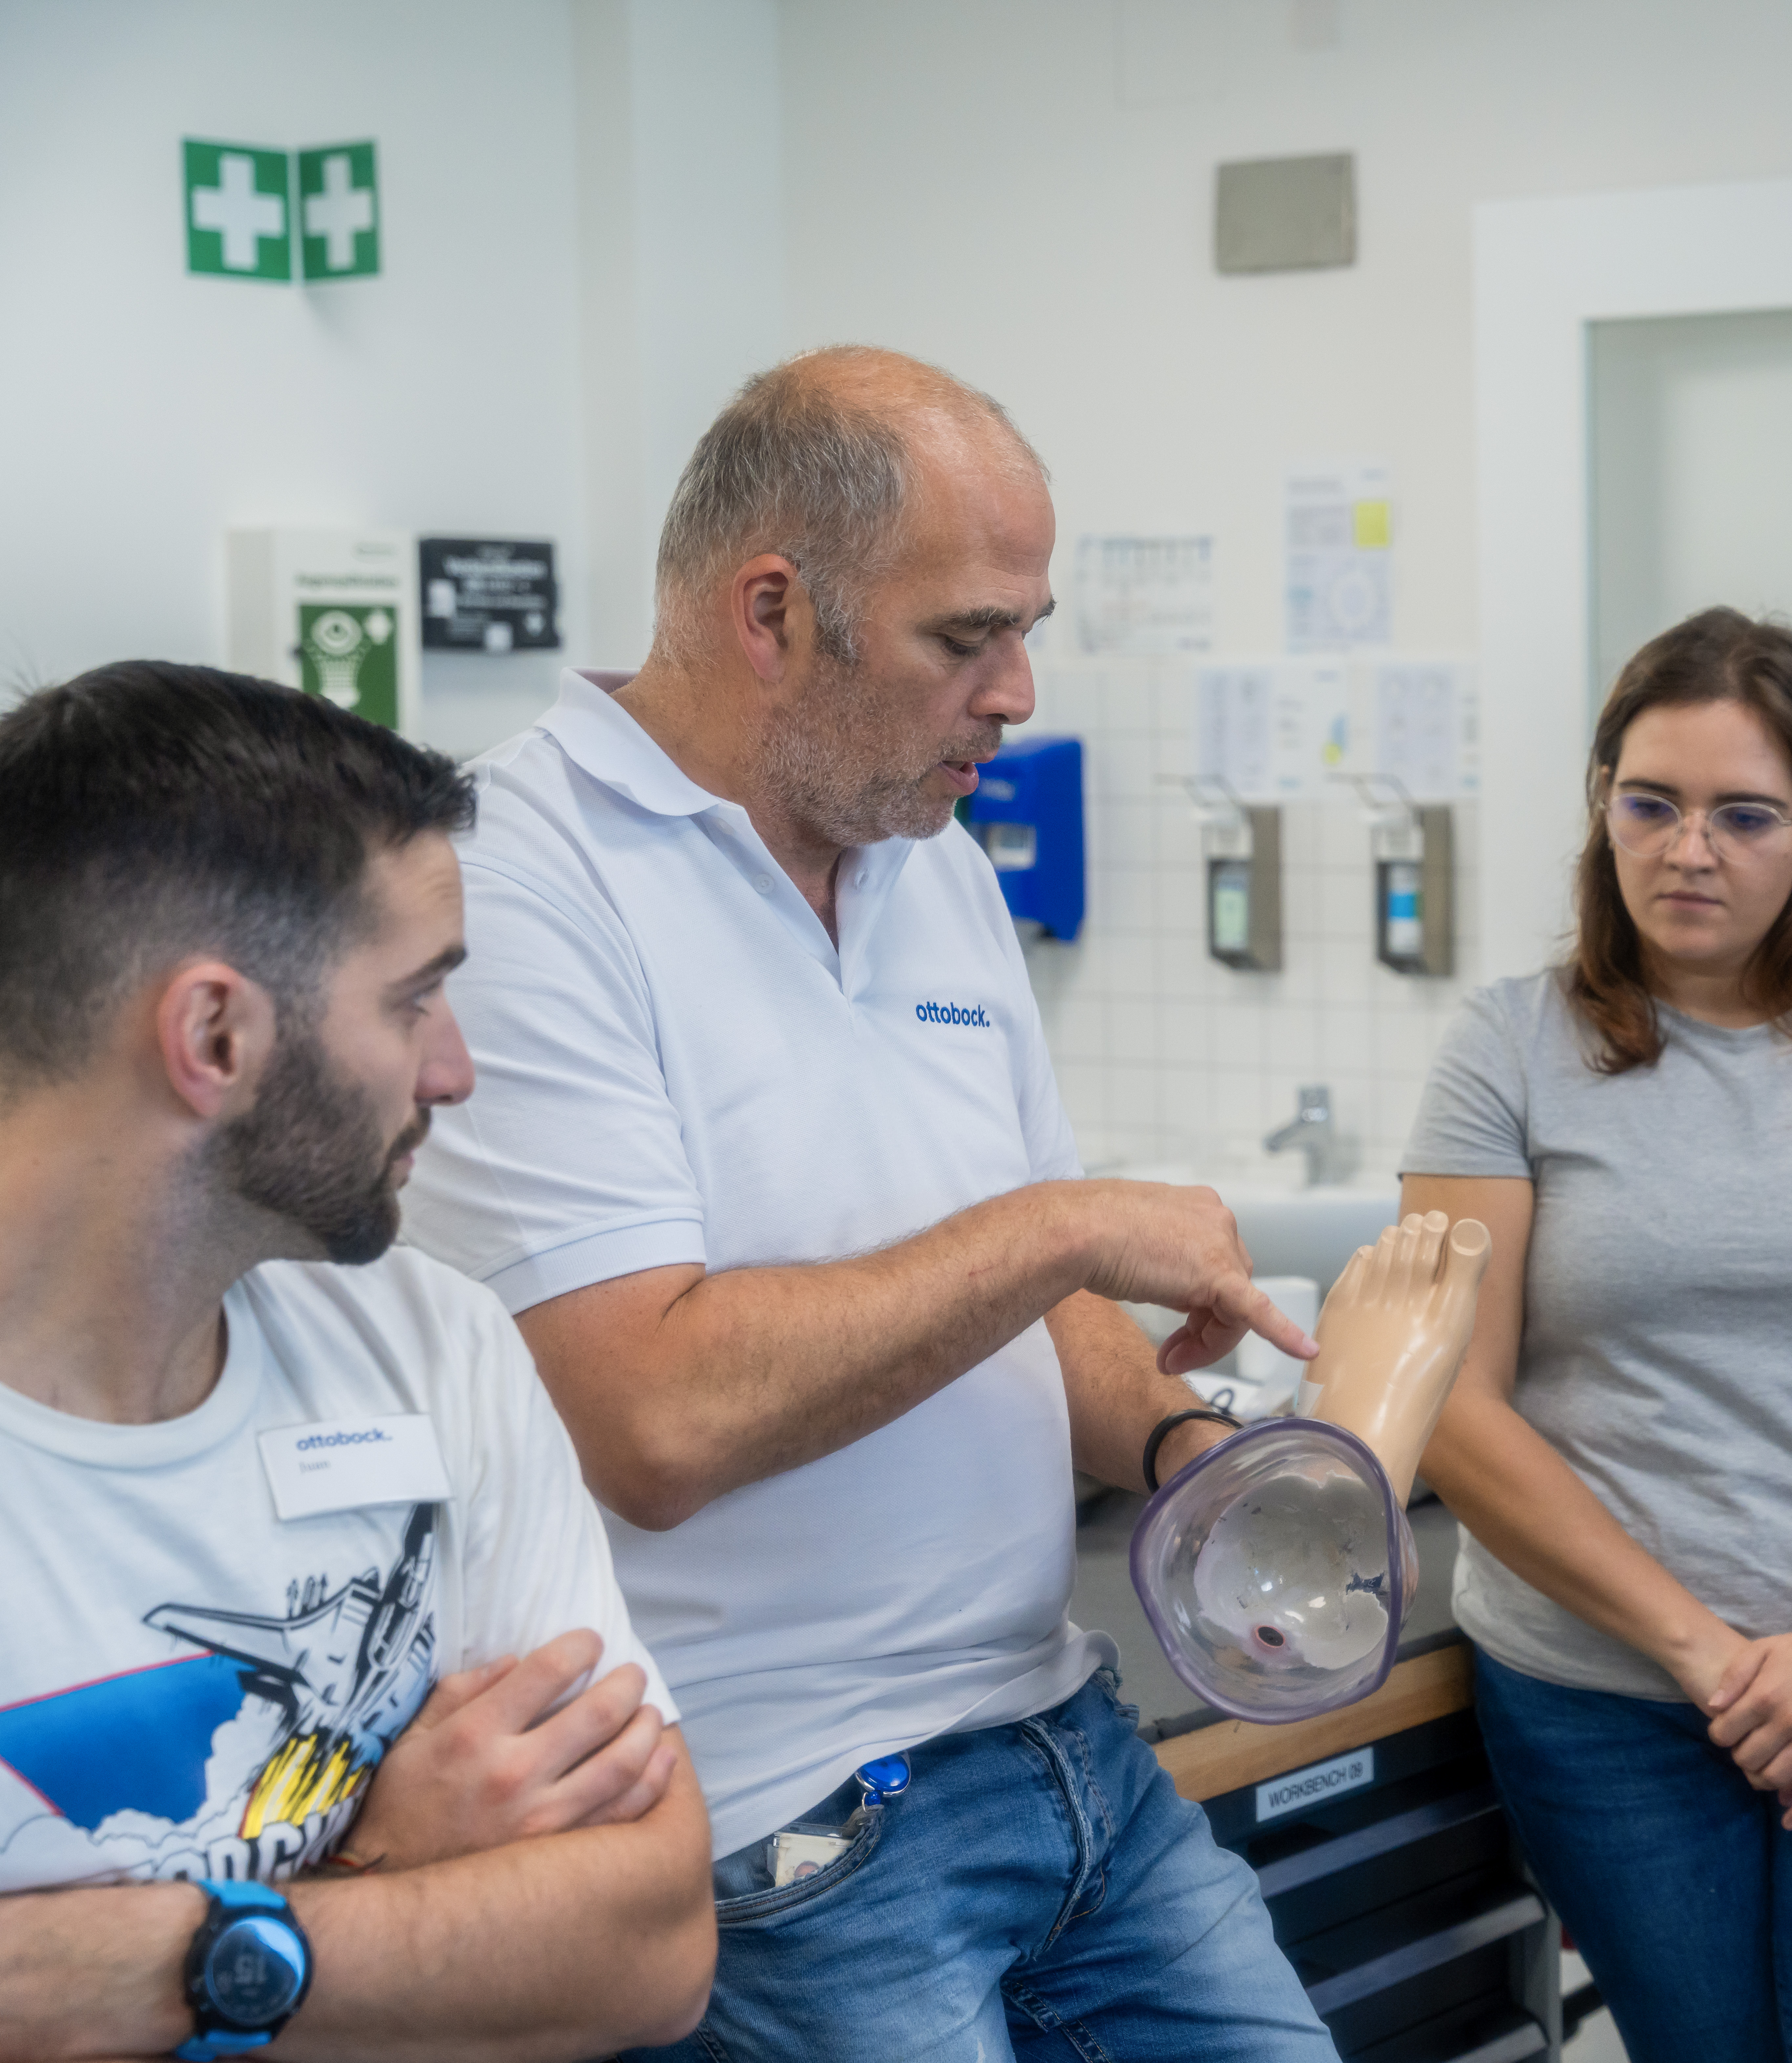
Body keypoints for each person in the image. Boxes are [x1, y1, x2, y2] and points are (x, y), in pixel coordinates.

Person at [399, 347, 1335, 2061]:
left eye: (1027, 629)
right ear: (771, 612)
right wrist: (1066, 1227)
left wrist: (1180, 1448)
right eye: (964, 638)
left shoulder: (935, 862)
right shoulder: (517, 881)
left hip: (1061, 1745)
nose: (1016, 693)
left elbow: (1016, 1292)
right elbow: (655, 1417)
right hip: (782, 1817)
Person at [0, 663, 712, 2061]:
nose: (452, 1071)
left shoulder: (429, 1344)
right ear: (216, 1036)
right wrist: (382, 1881)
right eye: (412, 1001)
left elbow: (648, 1943)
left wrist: (180, 1958)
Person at [1400, 608, 1792, 2063]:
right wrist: (1706, 1656)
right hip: (1609, 1695)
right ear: (1604, 808)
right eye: (1651, 804)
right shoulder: (1505, 1049)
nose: (1688, 850)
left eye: (1743, 815)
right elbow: (1451, 1399)